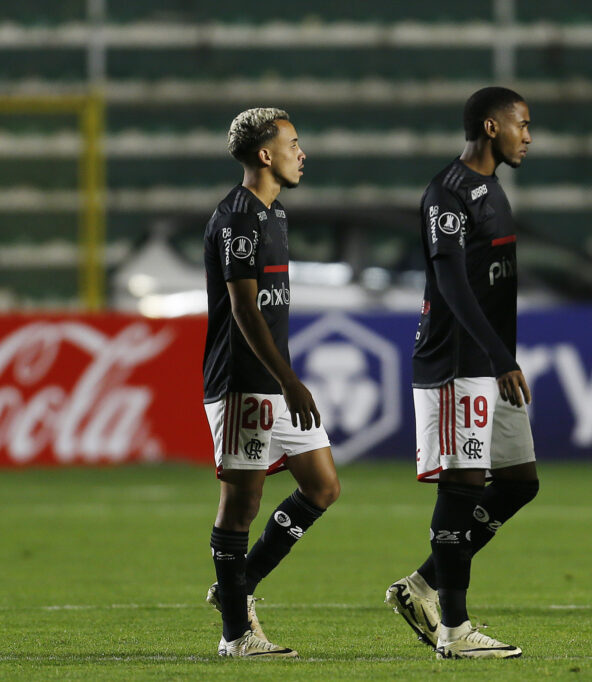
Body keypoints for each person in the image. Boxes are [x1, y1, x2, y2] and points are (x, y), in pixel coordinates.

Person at [385, 86, 538, 660]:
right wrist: (499, 356)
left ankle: (424, 583)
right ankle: (454, 628)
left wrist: (499, 355)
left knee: (520, 482)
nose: (529, 135)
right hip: (456, 359)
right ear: (492, 127)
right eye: (522, 124)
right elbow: (451, 283)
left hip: (489, 359)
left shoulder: (492, 189)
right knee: (464, 484)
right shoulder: (446, 194)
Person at [201, 108, 340, 658]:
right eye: (293, 143)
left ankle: (237, 587)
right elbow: (244, 309)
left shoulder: (274, 215)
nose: (301, 153)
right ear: (265, 154)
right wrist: (290, 380)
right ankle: (236, 635)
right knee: (241, 504)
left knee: (323, 485)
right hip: (244, 381)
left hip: (275, 379)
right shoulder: (237, 218)